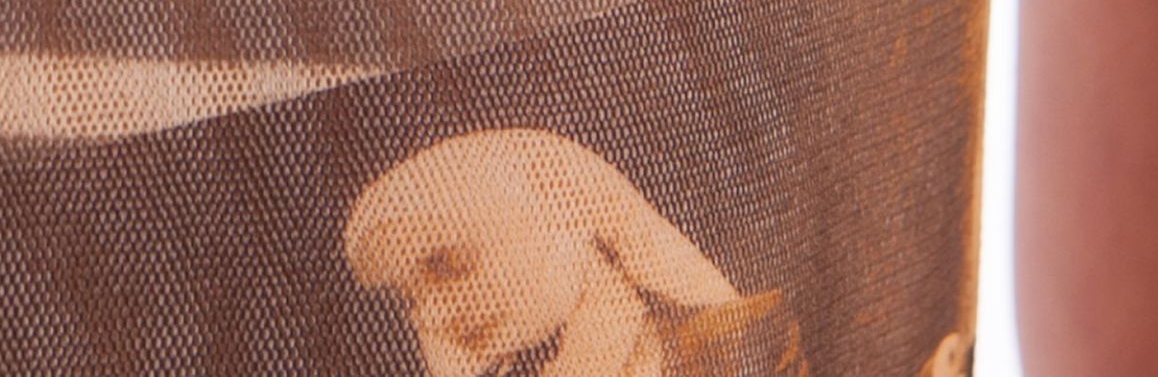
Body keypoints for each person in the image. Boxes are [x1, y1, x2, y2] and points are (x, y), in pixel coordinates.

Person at [344, 131, 811, 377]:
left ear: (544, 217)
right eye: (409, 297)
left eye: (447, 266)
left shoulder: (737, 351)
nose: (431, 315)